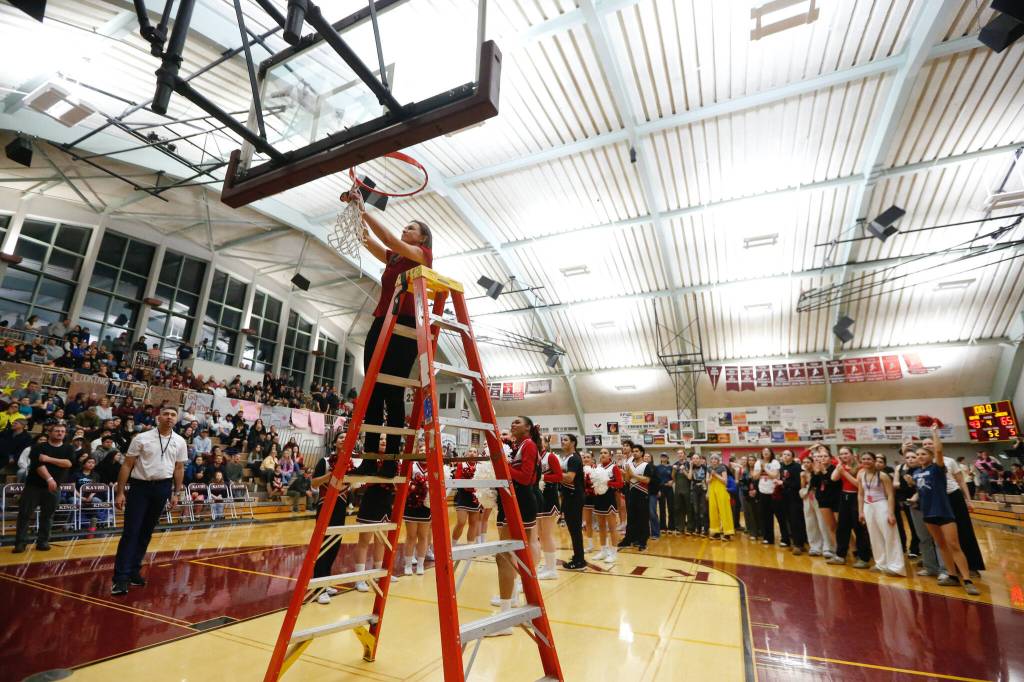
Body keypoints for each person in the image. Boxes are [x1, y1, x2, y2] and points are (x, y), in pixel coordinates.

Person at [341, 188, 432, 477]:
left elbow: (388, 238)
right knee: (372, 391)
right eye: (405, 226)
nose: (406, 229)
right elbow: (365, 239)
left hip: (404, 327)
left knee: (392, 391)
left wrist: (366, 209)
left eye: (412, 228)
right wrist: (356, 208)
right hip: (381, 321)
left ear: (423, 238)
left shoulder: (421, 255)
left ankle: (391, 461)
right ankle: (369, 460)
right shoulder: (394, 258)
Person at [111, 406, 187, 595]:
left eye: (173, 415)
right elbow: (127, 465)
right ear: (158, 417)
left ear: (176, 419)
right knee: (131, 532)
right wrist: (120, 492)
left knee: (146, 533)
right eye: (166, 414)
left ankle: (134, 571)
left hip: (163, 488)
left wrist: (176, 493)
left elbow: (179, 469)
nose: (169, 417)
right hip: (140, 487)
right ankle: (120, 578)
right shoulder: (141, 438)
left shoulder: (180, 441)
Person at [912, 427, 980, 596]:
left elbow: (939, 450)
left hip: (943, 511)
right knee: (941, 545)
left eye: (923, 454)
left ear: (931, 456)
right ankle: (952, 576)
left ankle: (967, 580)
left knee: (954, 545)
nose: (920, 457)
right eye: (918, 455)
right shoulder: (915, 472)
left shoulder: (937, 468)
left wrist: (934, 432)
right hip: (928, 513)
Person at [490, 415, 540, 636]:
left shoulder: (528, 445)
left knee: (504, 555)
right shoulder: (520, 445)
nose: (513, 424)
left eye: (518, 422)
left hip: (519, 502)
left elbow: (526, 477)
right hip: (514, 501)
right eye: (512, 422)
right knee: (511, 555)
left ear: (528, 428)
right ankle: (515, 604)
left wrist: (502, 467)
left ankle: (504, 618)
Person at [13, 423, 74, 553]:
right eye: (57, 430)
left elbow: (68, 463)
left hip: (54, 488)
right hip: (34, 486)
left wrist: (48, 459)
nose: (60, 433)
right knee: (24, 514)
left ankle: (43, 541)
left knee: (48, 516)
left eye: (62, 431)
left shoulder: (69, 448)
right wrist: (49, 479)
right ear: (50, 433)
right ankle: (20, 543)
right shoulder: (38, 447)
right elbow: (38, 465)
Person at [310, 444, 353, 605]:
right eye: (340, 437)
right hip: (325, 506)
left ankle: (325, 583)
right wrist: (329, 475)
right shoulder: (325, 461)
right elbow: (314, 483)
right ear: (335, 442)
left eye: (345, 437)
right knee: (322, 546)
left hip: (341, 506)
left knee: (334, 545)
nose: (344, 439)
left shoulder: (350, 462)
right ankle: (318, 589)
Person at [857, 452, 905, 576]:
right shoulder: (861, 475)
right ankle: (881, 563)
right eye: (864, 459)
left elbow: (890, 495)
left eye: (869, 459)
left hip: (881, 505)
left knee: (890, 535)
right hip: (868, 507)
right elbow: (860, 494)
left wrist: (891, 513)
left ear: (874, 461)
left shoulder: (882, 475)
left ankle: (896, 567)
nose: (866, 461)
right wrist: (861, 511)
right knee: (874, 536)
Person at [828, 446, 871, 568]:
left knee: (859, 529)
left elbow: (858, 485)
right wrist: (840, 467)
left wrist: (844, 472)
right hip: (844, 497)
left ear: (852, 454)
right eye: (841, 454)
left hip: (857, 498)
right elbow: (833, 478)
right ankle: (840, 556)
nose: (844, 456)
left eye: (846, 453)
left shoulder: (861, 467)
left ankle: (864, 558)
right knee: (842, 528)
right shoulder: (841, 466)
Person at [536, 436, 563, 579]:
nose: (538, 442)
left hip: (549, 498)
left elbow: (559, 476)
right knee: (541, 534)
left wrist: (541, 478)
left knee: (547, 534)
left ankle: (552, 570)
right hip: (539, 499)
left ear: (546, 443)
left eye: (541, 440)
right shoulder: (534, 457)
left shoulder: (550, 457)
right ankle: (547, 565)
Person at [559, 434, 586, 571]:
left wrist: (554, 473)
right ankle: (578, 556)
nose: (562, 442)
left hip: (575, 496)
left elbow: (569, 478)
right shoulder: (567, 458)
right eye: (562, 440)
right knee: (572, 529)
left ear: (573, 443)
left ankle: (580, 561)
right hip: (568, 496)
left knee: (575, 530)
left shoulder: (574, 458)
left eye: (565, 440)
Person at [591, 448, 622, 564]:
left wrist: (607, 483)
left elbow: (620, 483)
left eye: (605, 453)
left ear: (610, 456)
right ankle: (603, 551)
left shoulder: (613, 467)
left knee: (612, 527)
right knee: (601, 526)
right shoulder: (597, 468)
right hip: (598, 499)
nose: (602, 455)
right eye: (601, 453)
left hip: (609, 499)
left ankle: (614, 553)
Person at [620, 444, 653, 551]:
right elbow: (627, 480)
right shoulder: (629, 464)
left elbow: (647, 480)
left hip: (642, 494)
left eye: (637, 451)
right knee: (631, 518)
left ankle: (642, 541)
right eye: (633, 451)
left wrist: (633, 475)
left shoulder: (646, 465)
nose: (634, 453)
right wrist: (625, 474)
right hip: (631, 493)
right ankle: (629, 539)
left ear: (642, 453)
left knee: (643, 518)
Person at [403, 457, 432, 576]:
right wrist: (413, 487)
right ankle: (408, 565)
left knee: (423, 536)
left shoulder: (433, 466)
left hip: (426, 505)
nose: (423, 453)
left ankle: (420, 564)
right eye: (421, 449)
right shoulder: (412, 465)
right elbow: (405, 481)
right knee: (411, 536)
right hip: (411, 504)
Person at [754, 448, 784, 545]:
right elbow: (755, 477)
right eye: (764, 452)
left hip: (774, 493)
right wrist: (761, 469)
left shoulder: (775, 462)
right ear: (761, 453)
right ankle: (768, 538)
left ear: (771, 453)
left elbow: (775, 475)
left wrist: (765, 468)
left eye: (768, 452)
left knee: (780, 516)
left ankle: (785, 539)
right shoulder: (758, 462)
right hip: (763, 493)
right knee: (766, 517)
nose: (766, 453)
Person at [779, 449, 806, 555]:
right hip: (784, 498)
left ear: (792, 456)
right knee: (789, 521)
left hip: (795, 498)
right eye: (784, 454)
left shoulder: (797, 468)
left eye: (788, 455)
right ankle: (796, 542)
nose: (785, 456)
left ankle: (799, 545)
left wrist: (784, 483)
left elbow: (798, 484)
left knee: (796, 521)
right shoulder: (781, 467)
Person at [706, 453, 734, 540]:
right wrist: (711, 477)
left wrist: (716, 475)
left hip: (721, 490)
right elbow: (707, 481)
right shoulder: (709, 469)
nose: (714, 461)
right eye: (712, 459)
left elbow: (725, 481)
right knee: (713, 511)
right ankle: (716, 532)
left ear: (718, 460)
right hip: (712, 491)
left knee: (724, 511)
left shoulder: (722, 468)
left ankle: (728, 533)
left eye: (715, 459)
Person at [672, 449, 691, 535]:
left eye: (681, 453)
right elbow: (673, 478)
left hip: (687, 488)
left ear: (684, 455)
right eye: (678, 453)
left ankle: (690, 528)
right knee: (679, 509)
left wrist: (684, 470)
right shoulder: (675, 464)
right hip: (678, 488)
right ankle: (680, 528)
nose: (679, 455)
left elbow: (690, 477)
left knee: (689, 508)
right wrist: (674, 471)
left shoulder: (689, 464)